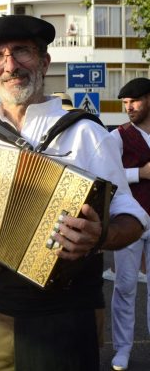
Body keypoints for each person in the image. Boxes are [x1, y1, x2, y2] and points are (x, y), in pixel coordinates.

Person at [0, 15, 148, 371]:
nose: (10, 65)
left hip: (67, 311)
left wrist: (102, 235)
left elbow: (131, 215)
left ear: (44, 62)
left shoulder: (86, 133)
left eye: (21, 51)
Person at [109, 77, 150, 371]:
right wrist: (141, 173)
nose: (128, 108)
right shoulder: (117, 136)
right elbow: (108, 175)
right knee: (124, 285)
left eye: (134, 101)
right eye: (125, 103)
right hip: (130, 220)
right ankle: (122, 349)